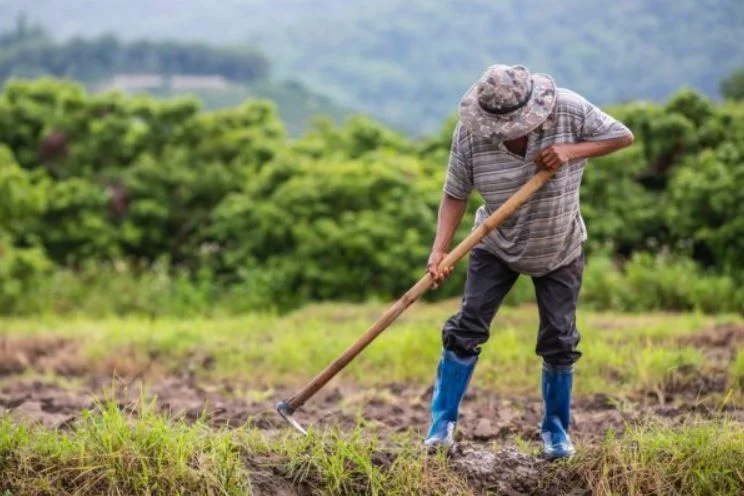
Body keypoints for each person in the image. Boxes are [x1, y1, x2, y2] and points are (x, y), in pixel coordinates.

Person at [425, 64, 634, 459]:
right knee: (466, 328)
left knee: (559, 340)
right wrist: (439, 251)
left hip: (559, 245)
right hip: (495, 242)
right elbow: (455, 192)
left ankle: (556, 434)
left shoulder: (569, 109)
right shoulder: (471, 133)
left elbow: (622, 136)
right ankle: (441, 427)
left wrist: (570, 151)